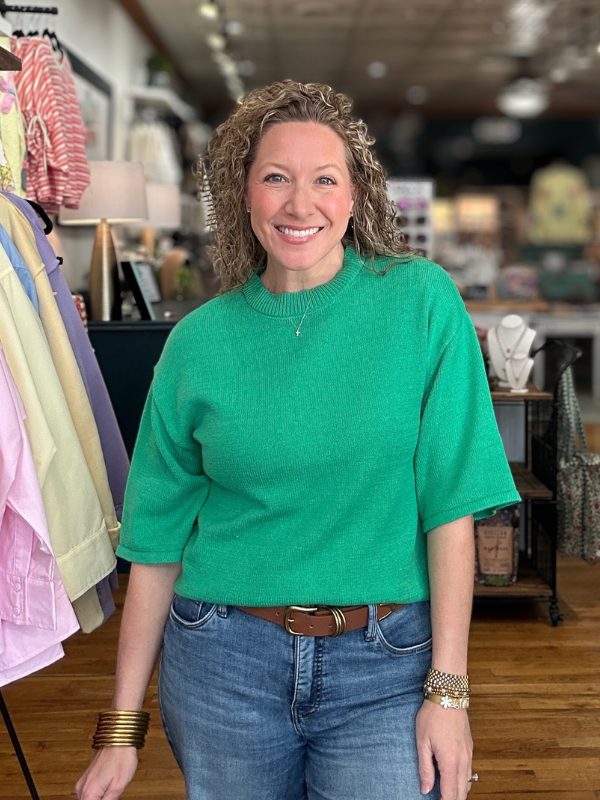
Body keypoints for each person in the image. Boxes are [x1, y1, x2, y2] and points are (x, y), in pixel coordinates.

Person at [76, 80, 520, 800]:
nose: (299, 204)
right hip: (222, 662)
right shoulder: (197, 343)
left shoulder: (421, 303)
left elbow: (451, 509)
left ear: (355, 197)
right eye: (275, 178)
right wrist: (122, 731)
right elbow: (155, 542)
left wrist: (449, 693)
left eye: (324, 180)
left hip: (387, 664)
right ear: (242, 193)